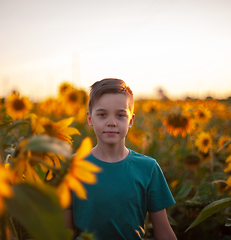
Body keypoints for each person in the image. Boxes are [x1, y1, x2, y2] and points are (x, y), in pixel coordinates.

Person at [65, 78, 177, 240]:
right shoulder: (72, 167)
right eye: (102, 114)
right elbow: (64, 233)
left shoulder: (148, 168)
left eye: (120, 115)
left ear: (130, 120)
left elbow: (164, 233)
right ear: (90, 119)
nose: (112, 123)